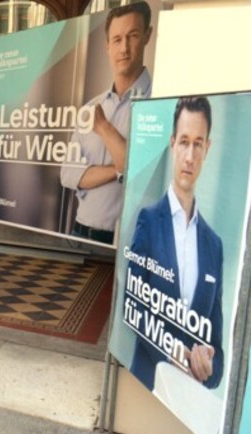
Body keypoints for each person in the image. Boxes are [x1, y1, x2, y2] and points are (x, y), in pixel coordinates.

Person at [128, 97, 223, 391]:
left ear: (207, 148)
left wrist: (209, 364)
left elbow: (216, 349)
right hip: (148, 384)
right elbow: (132, 303)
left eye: (197, 143)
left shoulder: (214, 246)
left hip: (188, 401)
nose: (190, 156)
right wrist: (170, 351)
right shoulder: (148, 219)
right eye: (184, 142)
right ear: (172, 144)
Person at [60, 1, 154, 244]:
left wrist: (103, 128)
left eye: (132, 36)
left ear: (147, 36)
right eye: (117, 39)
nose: (124, 48)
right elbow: (68, 174)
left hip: (125, 241)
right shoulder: (91, 107)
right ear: (107, 47)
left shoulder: (158, 101)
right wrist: (119, 169)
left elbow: (141, 174)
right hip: (78, 233)